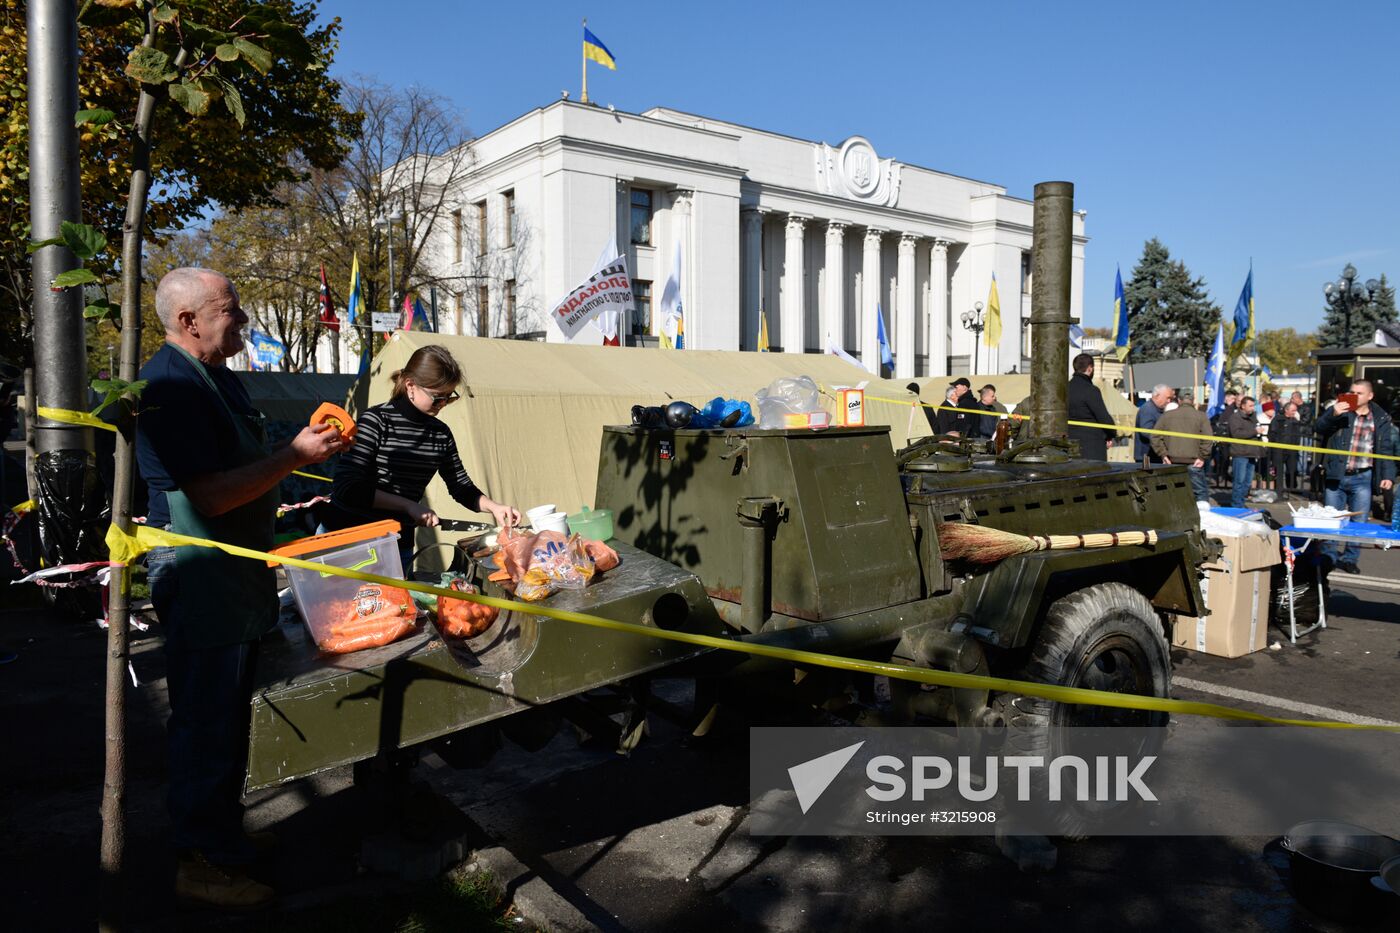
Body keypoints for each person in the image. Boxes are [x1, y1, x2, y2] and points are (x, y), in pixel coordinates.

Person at [136, 268, 344, 909]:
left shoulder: (215, 375)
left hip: (235, 573)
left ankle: (222, 838)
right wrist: (295, 458)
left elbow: (240, 460)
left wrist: (292, 444)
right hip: (200, 574)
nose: (243, 318)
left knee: (226, 720)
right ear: (188, 321)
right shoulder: (169, 385)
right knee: (204, 722)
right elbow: (212, 493)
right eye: (229, 309)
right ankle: (199, 861)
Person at [319, 344, 520, 568]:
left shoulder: (440, 433)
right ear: (410, 386)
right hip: (345, 540)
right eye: (437, 397)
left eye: (448, 397)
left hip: (396, 545)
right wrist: (408, 506)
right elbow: (348, 488)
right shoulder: (376, 421)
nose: (443, 404)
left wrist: (493, 507)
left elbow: (460, 486)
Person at [1314, 379, 1397, 573]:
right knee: (1332, 518)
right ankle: (1329, 557)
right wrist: (1333, 414)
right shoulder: (1340, 411)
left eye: (1359, 393)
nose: (1353, 396)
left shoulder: (1380, 418)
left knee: (1359, 522)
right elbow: (1319, 428)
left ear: (1370, 396)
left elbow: (1385, 450)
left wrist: (1388, 476)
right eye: (1351, 391)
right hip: (1337, 473)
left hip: (1363, 476)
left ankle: (1350, 559)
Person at [1150, 391, 1214, 502]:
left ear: (1178, 400)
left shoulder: (1167, 416)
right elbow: (1208, 438)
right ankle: (1203, 517)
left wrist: (1163, 454)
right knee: (1200, 494)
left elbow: (1154, 436)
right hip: (1194, 461)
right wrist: (1202, 456)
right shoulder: (1201, 416)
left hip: (1172, 461)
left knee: (1172, 493)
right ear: (1193, 401)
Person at [1067, 353, 1116, 460]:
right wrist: (1111, 434)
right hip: (1092, 448)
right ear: (1089, 369)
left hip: (1069, 446)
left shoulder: (1064, 389)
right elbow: (1104, 418)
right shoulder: (1091, 390)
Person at [1226, 396, 1262, 508]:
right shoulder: (1235, 418)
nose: (1252, 408)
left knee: (1247, 482)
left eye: (1253, 405)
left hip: (1251, 452)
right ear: (1243, 406)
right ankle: (1237, 504)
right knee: (1239, 481)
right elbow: (1236, 434)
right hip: (1240, 452)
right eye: (1250, 405)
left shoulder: (1253, 417)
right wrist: (1254, 431)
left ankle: (1241, 502)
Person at [1269, 401, 1305, 492]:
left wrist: (1298, 421)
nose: (1295, 412)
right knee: (1278, 470)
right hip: (1279, 449)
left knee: (1292, 470)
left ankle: (1292, 489)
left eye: (1296, 410)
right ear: (1286, 410)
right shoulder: (1278, 419)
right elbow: (1272, 433)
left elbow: (1302, 430)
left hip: (1292, 449)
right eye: (1293, 410)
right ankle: (1278, 490)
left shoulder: (1295, 420)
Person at [1134, 384, 1174, 463]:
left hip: (1155, 455)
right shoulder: (1147, 409)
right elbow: (1146, 431)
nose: (1169, 401)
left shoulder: (1159, 410)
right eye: (1167, 398)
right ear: (1157, 396)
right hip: (1146, 456)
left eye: (1170, 398)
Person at [1211, 390, 1239, 487]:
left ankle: (1226, 475)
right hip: (1224, 437)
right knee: (1223, 457)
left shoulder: (1234, 409)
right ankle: (1221, 475)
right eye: (1232, 399)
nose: (1233, 401)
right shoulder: (1222, 409)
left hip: (1233, 438)